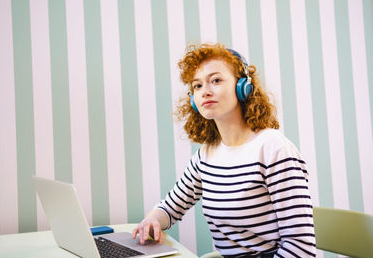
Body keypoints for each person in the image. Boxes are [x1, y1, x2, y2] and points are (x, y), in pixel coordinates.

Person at [132, 43, 316, 258]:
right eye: (197, 86)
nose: (205, 91)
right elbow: (172, 206)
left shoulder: (273, 149)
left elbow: (300, 246)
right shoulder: (207, 155)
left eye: (216, 80)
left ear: (243, 87)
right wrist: (152, 219)